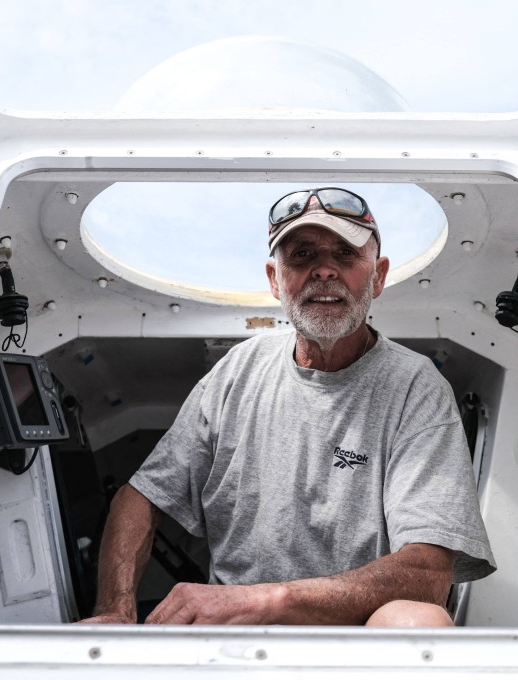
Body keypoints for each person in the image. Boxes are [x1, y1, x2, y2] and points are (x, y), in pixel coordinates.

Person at [80, 187, 495, 627]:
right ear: (276, 279)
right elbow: (140, 497)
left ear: (377, 276)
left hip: (356, 642)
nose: (324, 270)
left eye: (346, 253)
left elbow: (427, 574)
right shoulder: (238, 370)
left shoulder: (415, 386)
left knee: (418, 622)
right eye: (301, 255)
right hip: (235, 640)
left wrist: (266, 601)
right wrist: (115, 612)